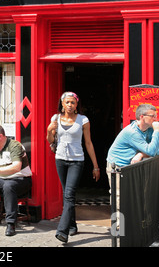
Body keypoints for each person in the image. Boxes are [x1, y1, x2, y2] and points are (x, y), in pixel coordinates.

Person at [46, 91, 100, 243]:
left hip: (77, 160)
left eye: (73, 103)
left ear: (77, 105)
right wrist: (49, 129)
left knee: (69, 195)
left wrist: (96, 166)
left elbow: (88, 143)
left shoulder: (83, 120)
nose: (70, 105)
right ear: (62, 104)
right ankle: (72, 225)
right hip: (60, 160)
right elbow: (50, 140)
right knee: (66, 194)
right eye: (67, 102)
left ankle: (62, 231)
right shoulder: (55, 118)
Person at [106, 103, 159, 180]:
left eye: (155, 116)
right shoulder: (132, 132)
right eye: (152, 116)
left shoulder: (150, 129)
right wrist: (156, 131)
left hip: (131, 167)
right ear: (142, 117)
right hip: (118, 166)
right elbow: (151, 151)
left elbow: (158, 151)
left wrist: (141, 154)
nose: (155, 119)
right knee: (120, 192)